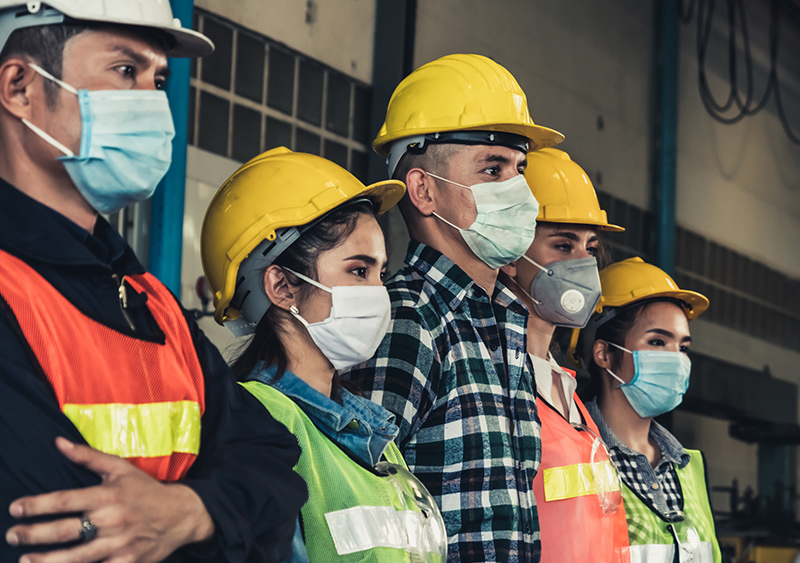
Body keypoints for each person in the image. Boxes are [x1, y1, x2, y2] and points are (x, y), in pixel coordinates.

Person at [0, 3, 306, 562]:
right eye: (124, 70)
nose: (153, 101)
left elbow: (276, 471)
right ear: (19, 87)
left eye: (158, 79)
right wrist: (221, 517)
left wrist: (189, 513)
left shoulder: (151, 300)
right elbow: (47, 533)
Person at [342, 53, 563, 563]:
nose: (520, 191)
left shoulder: (506, 320)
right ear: (423, 189)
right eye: (493, 168)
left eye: (520, 170)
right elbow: (374, 507)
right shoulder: (406, 320)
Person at [200, 147, 447, 563]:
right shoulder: (260, 422)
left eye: (380, 273)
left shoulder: (372, 434)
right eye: (357, 270)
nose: (378, 293)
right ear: (281, 286)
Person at [499, 148, 630, 563]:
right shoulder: (493, 381)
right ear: (509, 256)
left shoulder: (567, 389)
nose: (583, 264)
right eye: (562, 244)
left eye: (590, 247)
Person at [574, 257, 722, 563]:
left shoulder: (688, 467)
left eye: (683, 348)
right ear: (603, 354)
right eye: (657, 341)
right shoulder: (574, 459)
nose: (676, 360)